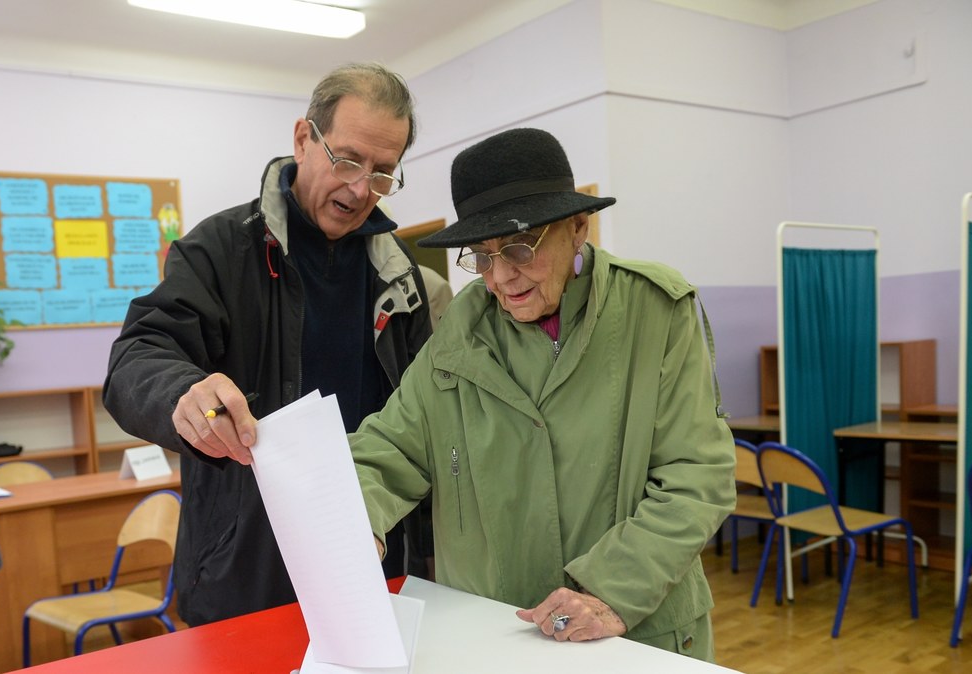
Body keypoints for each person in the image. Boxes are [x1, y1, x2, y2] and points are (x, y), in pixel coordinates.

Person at [348, 128, 737, 661]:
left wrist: (609, 592)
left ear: (579, 228)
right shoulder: (462, 329)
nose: (500, 278)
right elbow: (390, 448)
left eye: (518, 247)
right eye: (481, 257)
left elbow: (697, 477)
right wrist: (351, 522)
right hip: (498, 631)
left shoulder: (655, 310)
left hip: (635, 631)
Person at [103, 62, 433, 627]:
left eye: (383, 172)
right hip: (243, 571)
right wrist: (183, 392)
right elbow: (136, 356)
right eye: (348, 159)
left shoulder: (399, 276)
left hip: (370, 561)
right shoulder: (219, 250)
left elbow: (425, 417)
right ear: (305, 138)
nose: (360, 189)